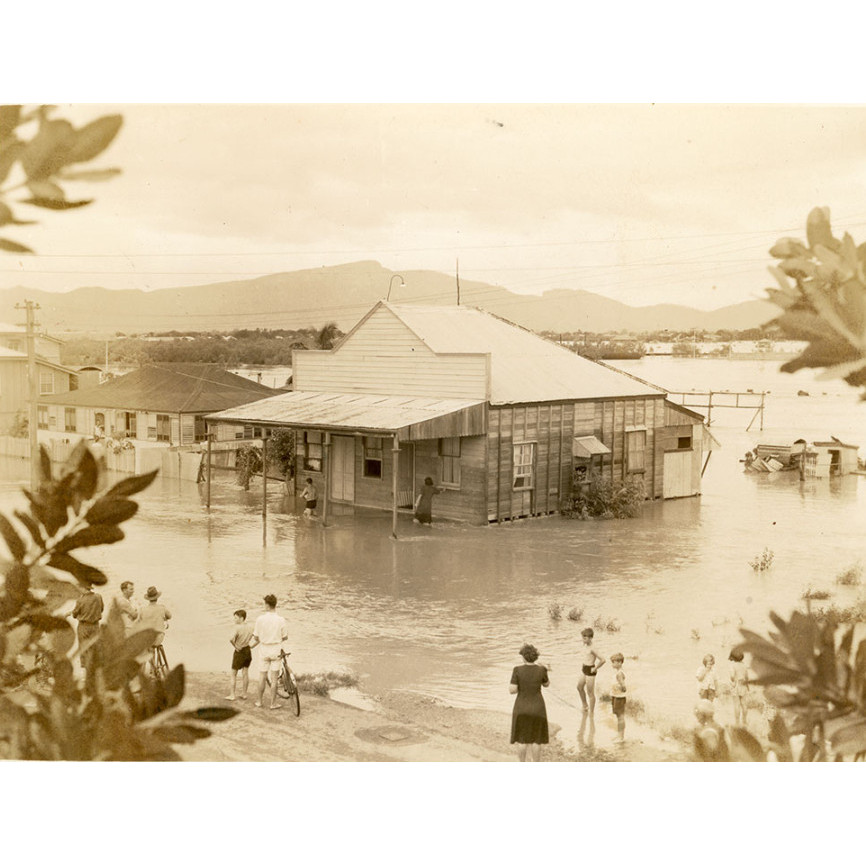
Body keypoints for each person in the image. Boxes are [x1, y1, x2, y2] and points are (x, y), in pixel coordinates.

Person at [509, 643, 549, 761]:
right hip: (538, 708)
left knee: (522, 740)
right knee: (536, 740)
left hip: (521, 707)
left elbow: (512, 690)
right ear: (535, 656)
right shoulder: (542, 669)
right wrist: (545, 671)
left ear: (523, 657)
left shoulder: (517, 670)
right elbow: (546, 684)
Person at [250, 594, 289, 709]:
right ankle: (273, 703)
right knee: (274, 678)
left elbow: (256, 637)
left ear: (267, 605)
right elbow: (285, 637)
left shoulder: (260, 619)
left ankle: (259, 701)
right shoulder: (281, 620)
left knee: (262, 675)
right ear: (275, 605)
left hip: (264, 649)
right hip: (276, 649)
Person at [72, 586, 104, 671]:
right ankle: (95, 672)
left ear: (83, 588)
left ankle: (86, 672)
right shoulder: (98, 597)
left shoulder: (80, 600)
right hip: (96, 625)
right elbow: (101, 609)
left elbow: (75, 614)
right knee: (95, 648)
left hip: (84, 626)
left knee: (84, 649)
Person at [576, 627, 605, 715]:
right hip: (584, 669)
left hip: (590, 671)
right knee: (579, 687)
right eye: (583, 637)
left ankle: (591, 713)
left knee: (590, 693)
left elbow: (603, 660)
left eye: (585, 638)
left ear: (590, 638)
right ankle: (585, 706)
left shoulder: (593, 648)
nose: (583, 639)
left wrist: (595, 668)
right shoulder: (586, 645)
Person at [227, 609, 254, 701]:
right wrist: (252, 645)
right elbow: (257, 638)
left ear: (241, 618)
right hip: (247, 650)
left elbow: (231, 639)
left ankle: (232, 695)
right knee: (245, 673)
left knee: (233, 674)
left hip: (239, 651)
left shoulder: (237, 627)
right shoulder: (250, 627)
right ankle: (244, 694)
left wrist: (235, 646)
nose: (234, 620)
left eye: (236, 618)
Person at [729, 649, 750, 726]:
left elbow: (732, 676)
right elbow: (747, 677)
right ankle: (744, 721)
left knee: (736, 704)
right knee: (744, 704)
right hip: (743, 685)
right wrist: (748, 686)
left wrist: (732, 681)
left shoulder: (733, 665)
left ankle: (737, 722)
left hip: (736, 685)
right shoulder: (744, 665)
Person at [609, 652, 627, 744]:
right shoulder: (617, 672)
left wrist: (621, 688)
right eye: (612, 662)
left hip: (619, 697)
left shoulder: (620, 673)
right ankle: (619, 734)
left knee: (620, 717)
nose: (612, 664)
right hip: (615, 696)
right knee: (617, 715)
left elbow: (624, 687)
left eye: (614, 662)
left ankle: (621, 737)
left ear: (620, 662)